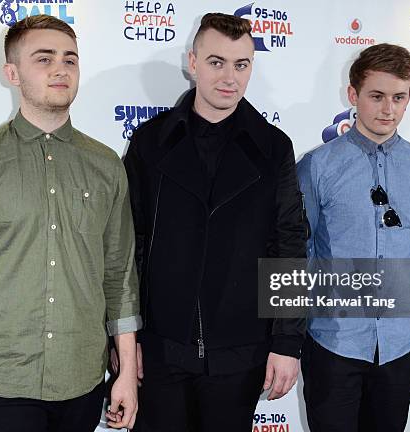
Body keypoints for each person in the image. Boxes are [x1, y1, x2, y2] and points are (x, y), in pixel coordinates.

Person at [0, 15, 140, 432]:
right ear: (12, 73)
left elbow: (120, 276)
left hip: (82, 380)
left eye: (70, 60)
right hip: (0, 383)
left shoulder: (106, 166)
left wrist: (127, 374)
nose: (60, 69)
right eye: (44, 59)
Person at [123, 12, 308, 432]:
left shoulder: (273, 147)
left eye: (241, 65)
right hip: (159, 352)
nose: (229, 77)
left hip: (241, 354)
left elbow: (290, 245)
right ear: (193, 62)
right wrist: (123, 338)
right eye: (216, 62)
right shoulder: (150, 141)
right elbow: (126, 246)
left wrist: (287, 342)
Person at [297, 43, 410, 431]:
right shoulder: (317, 166)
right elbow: (301, 250)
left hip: (400, 346)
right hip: (333, 343)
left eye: (398, 97)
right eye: (376, 96)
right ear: (353, 95)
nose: (388, 109)